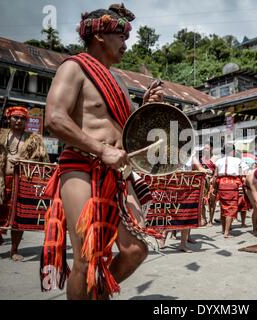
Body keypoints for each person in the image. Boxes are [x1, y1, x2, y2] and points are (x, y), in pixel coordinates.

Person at [41, 3, 164, 300]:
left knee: (136, 250)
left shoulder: (118, 82)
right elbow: (54, 118)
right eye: (120, 36)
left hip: (117, 172)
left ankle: (97, 294)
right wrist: (100, 149)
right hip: (82, 166)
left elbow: (127, 131)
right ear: (99, 36)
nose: (125, 44)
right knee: (85, 258)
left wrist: (145, 107)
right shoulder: (74, 67)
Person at [0, 106, 49, 261]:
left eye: (22, 118)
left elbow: (42, 164)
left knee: (18, 219)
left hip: (21, 183)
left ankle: (14, 249)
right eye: (15, 117)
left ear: (26, 121)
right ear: (9, 119)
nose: (19, 120)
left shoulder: (33, 139)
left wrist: (23, 162)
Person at [213, 143, 246, 238]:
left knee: (223, 208)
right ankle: (227, 232)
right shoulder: (238, 160)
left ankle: (224, 230)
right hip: (232, 184)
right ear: (233, 151)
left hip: (221, 184)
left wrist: (215, 189)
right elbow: (243, 173)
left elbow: (215, 176)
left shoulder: (219, 161)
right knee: (231, 208)